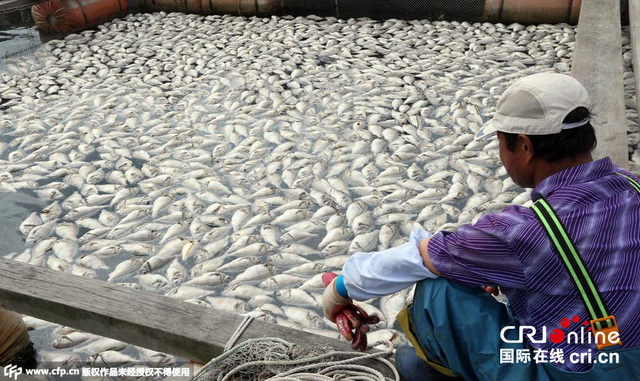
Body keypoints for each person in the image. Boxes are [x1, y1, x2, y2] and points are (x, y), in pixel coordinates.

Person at [322, 73, 640, 380]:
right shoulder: (633, 186)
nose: (501, 155)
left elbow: (420, 257)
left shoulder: (522, 231)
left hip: (579, 371)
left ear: (526, 147)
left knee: (438, 292)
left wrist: (340, 290)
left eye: (502, 142)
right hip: (626, 356)